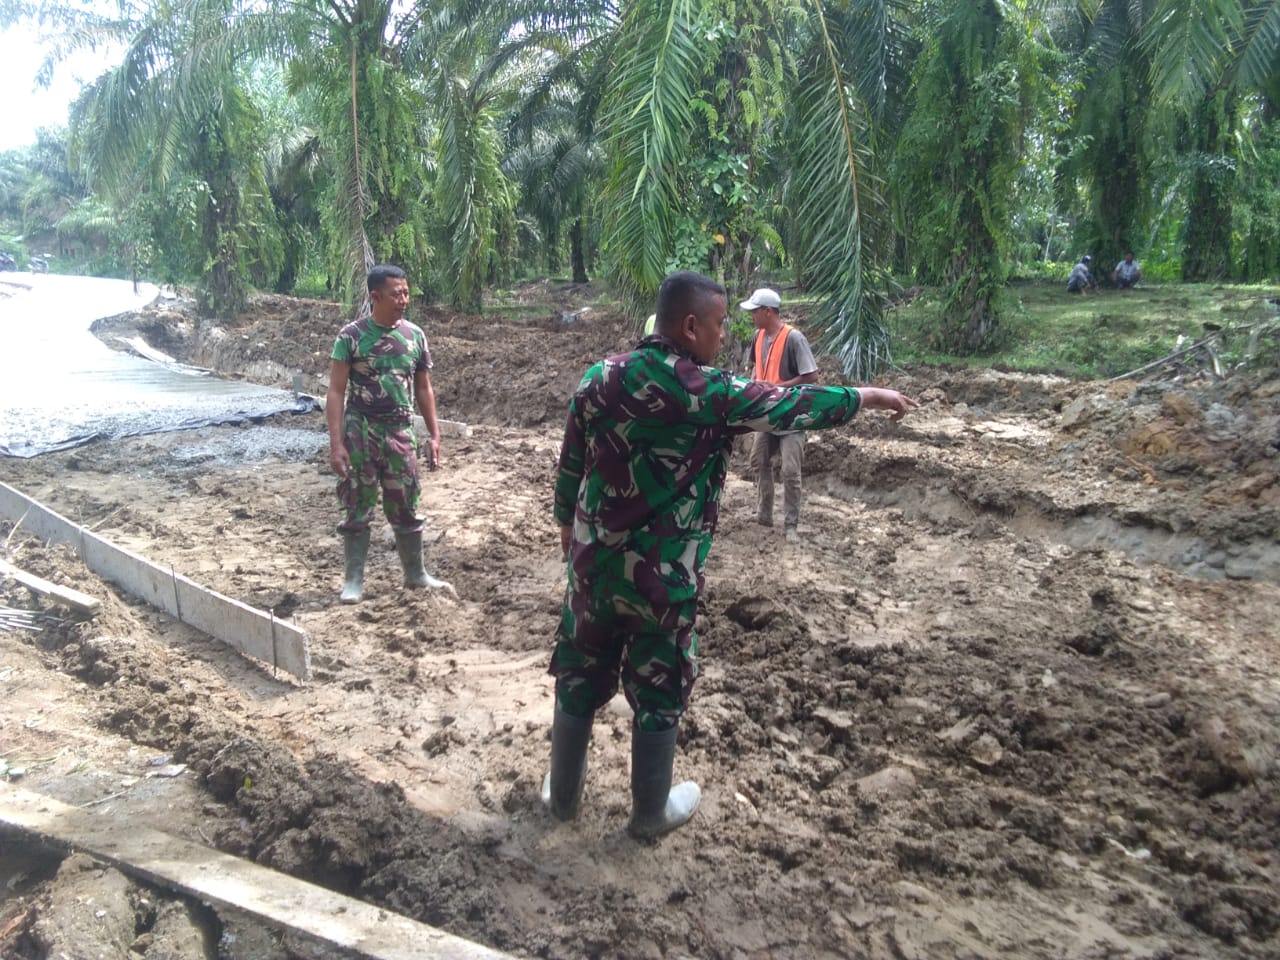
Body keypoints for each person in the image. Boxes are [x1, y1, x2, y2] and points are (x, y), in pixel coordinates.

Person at [543, 270, 918, 839]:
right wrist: (865, 396)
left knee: (577, 673)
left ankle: (562, 799)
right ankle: (649, 815)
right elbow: (791, 405)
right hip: (663, 582)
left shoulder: (600, 377)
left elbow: (571, 463)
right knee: (659, 682)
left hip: (593, 570)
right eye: (719, 325)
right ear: (690, 326)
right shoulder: (710, 392)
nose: (724, 336)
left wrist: (568, 531)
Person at [326, 264, 451, 603]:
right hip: (360, 433)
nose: (403, 300)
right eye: (397, 294)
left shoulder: (414, 336)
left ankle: (416, 574)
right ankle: (353, 581)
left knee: (407, 503)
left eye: (406, 293)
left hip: (400, 433)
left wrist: (435, 435)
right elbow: (336, 391)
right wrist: (336, 443)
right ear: (375, 296)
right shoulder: (350, 336)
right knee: (357, 505)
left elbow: (424, 389)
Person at [741, 287, 818, 544]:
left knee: (790, 471)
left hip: (790, 415)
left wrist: (776, 387)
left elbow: (811, 377)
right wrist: (753, 384)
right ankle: (764, 515)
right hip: (766, 413)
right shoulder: (758, 336)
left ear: (768, 312)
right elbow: (757, 369)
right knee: (758, 460)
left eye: (755, 311)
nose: (752, 316)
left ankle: (791, 525)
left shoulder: (794, 338)